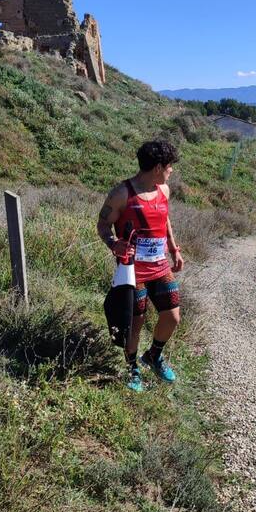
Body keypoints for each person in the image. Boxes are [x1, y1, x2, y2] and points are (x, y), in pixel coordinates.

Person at [97, 140, 184, 392]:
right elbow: (102, 224)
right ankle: (132, 368)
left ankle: (153, 356)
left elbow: (165, 219)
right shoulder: (122, 193)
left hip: (160, 266)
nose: (171, 170)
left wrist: (174, 249)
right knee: (136, 323)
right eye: (169, 166)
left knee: (172, 316)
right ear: (158, 167)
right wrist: (113, 243)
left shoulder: (163, 190)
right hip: (133, 271)